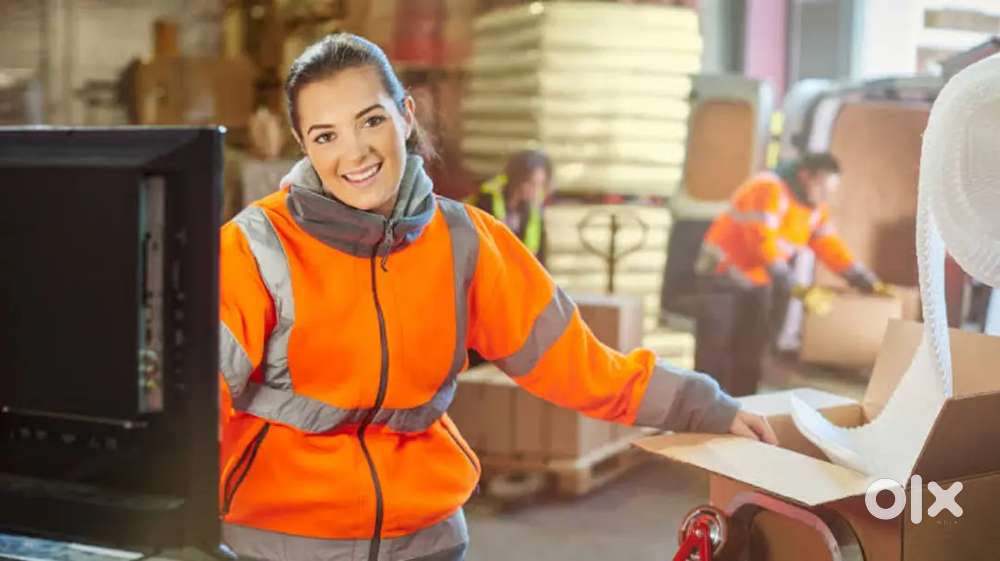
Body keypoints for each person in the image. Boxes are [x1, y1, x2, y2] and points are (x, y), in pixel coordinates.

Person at [218, 33, 776, 561]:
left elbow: (579, 365)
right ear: (304, 146)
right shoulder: (256, 246)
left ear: (405, 115)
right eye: (326, 135)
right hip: (283, 540)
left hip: (426, 539)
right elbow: (196, 403)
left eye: (371, 120)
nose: (355, 152)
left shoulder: (466, 242)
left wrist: (706, 407)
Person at [693, 153, 891, 396]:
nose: (824, 196)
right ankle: (699, 414)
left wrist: (860, 277)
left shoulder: (815, 208)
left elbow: (829, 245)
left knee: (751, 353)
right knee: (715, 352)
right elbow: (761, 242)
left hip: (758, 280)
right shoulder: (767, 188)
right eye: (821, 188)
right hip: (721, 277)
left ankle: (741, 413)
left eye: (830, 191)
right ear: (806, 176)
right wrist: (792, 285)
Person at [472, 149, 553, 265]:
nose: (535, 191)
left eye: (540, 184)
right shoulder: (485, 200)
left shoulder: (533, 213)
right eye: (531, 183)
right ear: (516, 178)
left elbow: (540, 259)